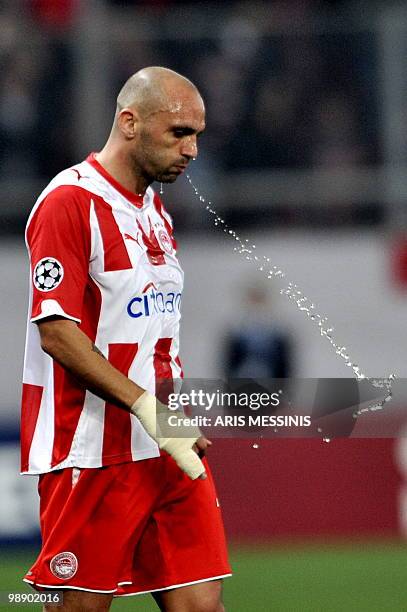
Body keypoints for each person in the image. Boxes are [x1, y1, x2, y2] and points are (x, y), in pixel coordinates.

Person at [21, 66, 231, 612]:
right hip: (92, 452)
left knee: (202, 607)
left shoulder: (154, 211)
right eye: (179, 133)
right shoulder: (69, 203)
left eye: (198, 136)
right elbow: (58, 335)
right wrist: (150, 410)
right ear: (130, 122)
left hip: (168, 450)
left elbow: (153, 333)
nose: (192, 151)